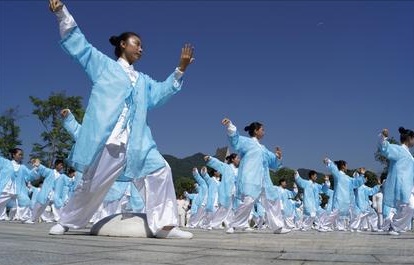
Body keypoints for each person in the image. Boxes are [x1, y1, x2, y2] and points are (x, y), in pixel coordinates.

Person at [48, 0, 194, 239]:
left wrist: (180, 69)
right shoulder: (104, 67)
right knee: (92, 184)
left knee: (160, 170)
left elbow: (159, 94)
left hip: (138, 142)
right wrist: (61, 13)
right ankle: (67, 221)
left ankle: (165, 226)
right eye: (137, 44)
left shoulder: (143, 80)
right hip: (109, 139)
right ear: (123, 44)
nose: (141, 49)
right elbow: (81, 47)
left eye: (142, 46)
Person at [222, 118, 288, 234]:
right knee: (248, 201)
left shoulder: (263, 149)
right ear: (256, 131)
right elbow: (235, 140)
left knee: (273, 200)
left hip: (264, 180)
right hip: (251, 178)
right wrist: (230, 126)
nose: (264, 132)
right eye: (262, 130)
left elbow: (273, 163)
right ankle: (234, 224)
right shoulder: (247, 143)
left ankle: (278, 227)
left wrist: (277, 157)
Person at [378, 127, 414, 235]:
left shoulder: (409, 154)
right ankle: (394, 227)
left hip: (408, 186)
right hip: (400, 185)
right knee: (409, 206)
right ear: (410, 138)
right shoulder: (399, 150)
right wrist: (383, 138)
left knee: (410, 207)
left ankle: (394, 226)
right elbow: (385, 149)